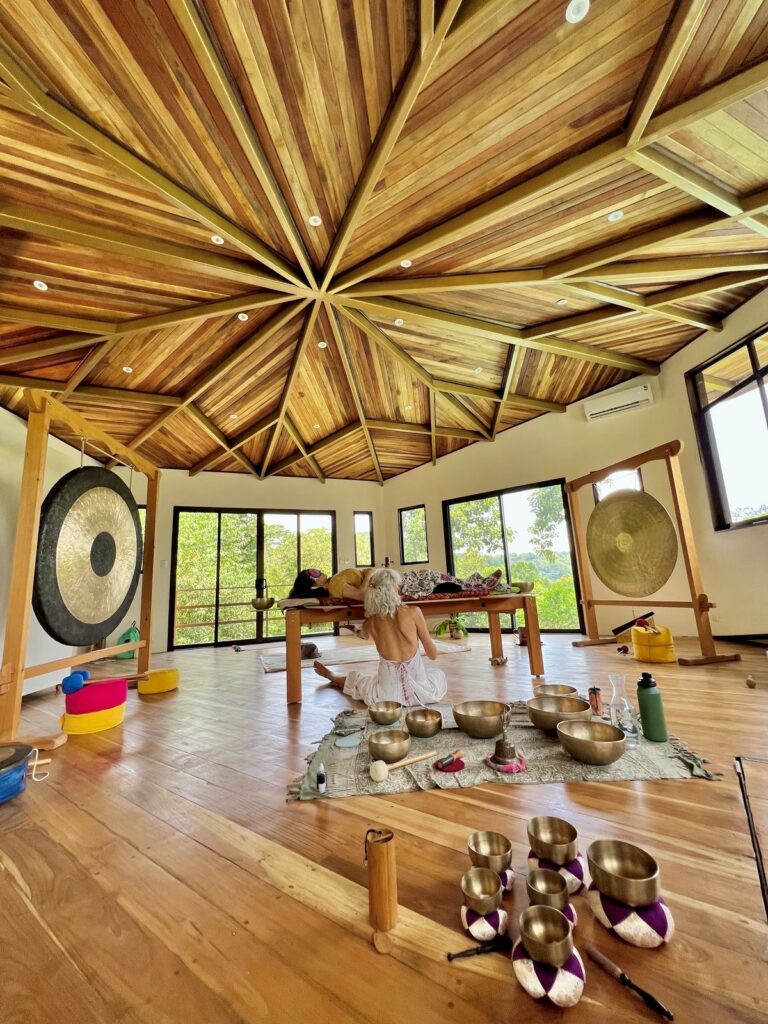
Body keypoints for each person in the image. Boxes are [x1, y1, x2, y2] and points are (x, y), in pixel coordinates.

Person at [313, 567, 447, 706]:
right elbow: (433, 655)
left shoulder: (371, 621)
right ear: (394, 588)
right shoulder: (413, 612)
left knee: (357, 679)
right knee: (438, 675)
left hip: (386, 698)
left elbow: (363, 635)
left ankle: (331, 675)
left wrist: (354, 629)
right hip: (422, 694)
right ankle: (332, 676)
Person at [289, 567, 372, 602]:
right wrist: (369, 574)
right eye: (316, 573)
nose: (320, 571)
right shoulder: (334, 585)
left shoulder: (331, 582)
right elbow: (361, 595)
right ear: (314, 584)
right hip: (377, 583)